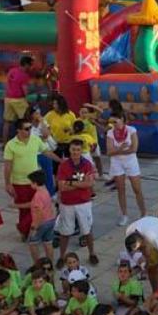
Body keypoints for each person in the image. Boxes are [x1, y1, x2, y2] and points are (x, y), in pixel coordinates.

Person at [56, 139, 100, 267]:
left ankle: (92, 253)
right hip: (67, 203)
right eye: (73, 149)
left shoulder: (87, 164)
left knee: (87, 230)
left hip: (83, 203)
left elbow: (90, 183)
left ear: (81, 151)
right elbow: (62, 187)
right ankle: (61, 256)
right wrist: (81, 185)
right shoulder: (63, 165)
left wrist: (70, 182)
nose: (75, 152)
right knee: (64, 232)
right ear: (69, 150)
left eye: (78, 150)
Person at [105, 111, 145, 227]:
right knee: (121, 189)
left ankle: (143, 213)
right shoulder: (110, 133)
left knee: (137, 189)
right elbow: (109, 152)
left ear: (122, 119)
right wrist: (121, 149)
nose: (113, 124)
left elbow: (134, 149)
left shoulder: (131, 130)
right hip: (117, 163)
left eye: (115, 121)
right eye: (111, 122)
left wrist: (117, 150)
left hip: (131, 161)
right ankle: (124, 215)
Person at [3, 55, 36, 139]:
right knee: (26, 120)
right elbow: (25, 92)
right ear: (26, 64)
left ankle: (4, 143)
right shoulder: (24, 75)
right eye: (30, 65)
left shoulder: (12, 71)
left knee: (7, 122)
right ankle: (24, 141)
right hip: (18, 100)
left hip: (7, 99)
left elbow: (7, 83)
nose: (31, 67)